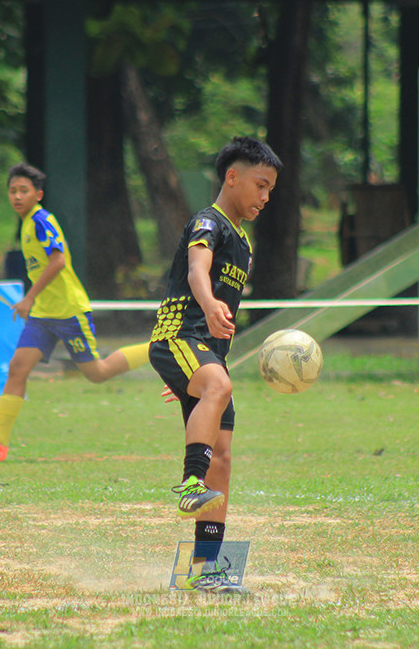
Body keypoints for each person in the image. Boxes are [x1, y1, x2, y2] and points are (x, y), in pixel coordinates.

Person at [148, 136, 282, 593]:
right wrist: (206, 307)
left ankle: (205, 571)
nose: (265, 197)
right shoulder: (210, 222)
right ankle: (189, 484)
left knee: (222, 461)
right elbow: (196, 271)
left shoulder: (243, 243)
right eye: (260, 185)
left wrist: (195, 377)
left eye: (270, 190)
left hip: (201, 355)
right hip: (177, 335)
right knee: (218, 391)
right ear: (232, 177)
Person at [0, 162, 149, 461]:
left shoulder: (40, 220)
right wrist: (35, 303)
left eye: (24, 190)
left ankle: (158, 348)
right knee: (17, 368)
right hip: (44, 315)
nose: (17, 196)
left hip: (68, 310)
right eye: (12, 191)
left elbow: (58, 261)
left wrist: (28, 299)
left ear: (38, 194)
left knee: (97, 373)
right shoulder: (24, 224)